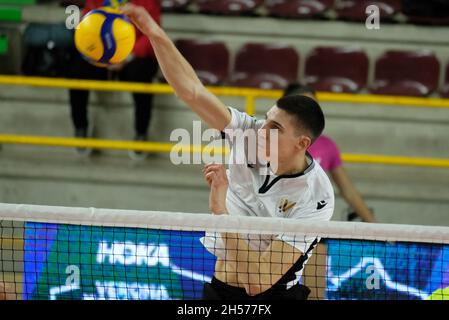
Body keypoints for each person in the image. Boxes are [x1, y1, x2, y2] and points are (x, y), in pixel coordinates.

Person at [121, 4, 335, 300]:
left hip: (274, 297)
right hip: (220, 291)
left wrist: (220, 212)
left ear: (302, 144)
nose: (262, 129)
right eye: (266, 118)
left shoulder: (316, 196)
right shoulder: (249, 132)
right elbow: (191, 91)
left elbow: (259, 283)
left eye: (276, 128)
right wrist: (154, 32)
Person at [69, 0, 160, 160]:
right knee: (77, 70)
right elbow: (86, 27)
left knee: (141, 73)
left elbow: (152, 32)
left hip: (133, 57)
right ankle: (81, 127)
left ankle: (141, 132)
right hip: (101, 57)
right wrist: (97, 56)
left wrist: (126, 54)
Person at [284, 83, 376, 223]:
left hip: (311, 222)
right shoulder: (270, 142)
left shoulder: (327, 146)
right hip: (276, 220)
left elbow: (348, 191)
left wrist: (376, 227)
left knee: (321, 246)